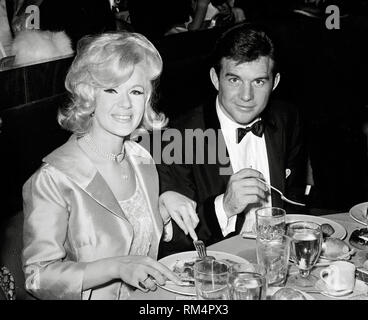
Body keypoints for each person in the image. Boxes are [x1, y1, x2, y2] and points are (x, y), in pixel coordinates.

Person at [22, 31, 181, 300]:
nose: (126, 104)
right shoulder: (53, 179)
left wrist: (163, 208)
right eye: (111, 89)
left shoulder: (141, 159)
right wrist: (114, 267)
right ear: (88, 94)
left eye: (136, 91)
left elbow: (131, 229)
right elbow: (37, 278)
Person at [157, 23, 307, 257]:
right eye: (235, 80)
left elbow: (295, 199)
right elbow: (174, 242)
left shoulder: (287, 118)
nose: (247, 96)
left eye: (259, 82)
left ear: (274, 82)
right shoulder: (177, 137)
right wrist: (224, 207)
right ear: (215, 79)